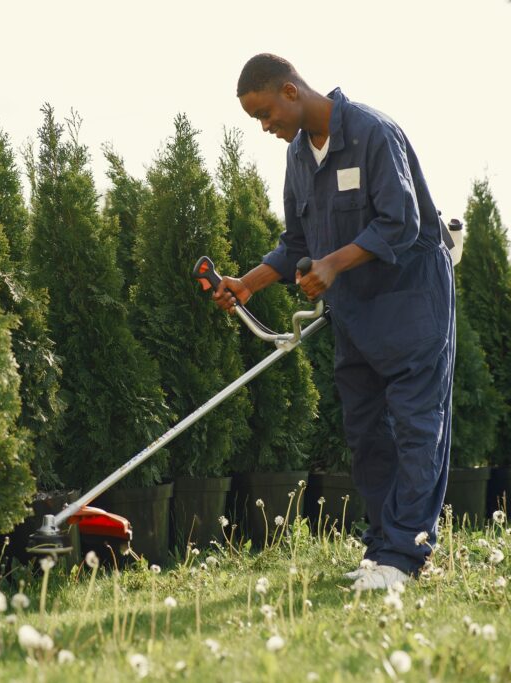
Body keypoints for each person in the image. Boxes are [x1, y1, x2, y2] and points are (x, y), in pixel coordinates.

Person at [214, 54, 455, 590]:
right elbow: (297, 243)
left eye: (266, 112)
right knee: (367, 433)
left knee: (418, 428)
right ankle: (380, 552)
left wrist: (333, 264)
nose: (265, 126)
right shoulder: (299, 157)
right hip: (356, 312)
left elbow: (401, 222)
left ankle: (405, 556)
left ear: (291, 91)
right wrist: (247, 283)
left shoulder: (373, 133)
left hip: (411, 300)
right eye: (256, 119)